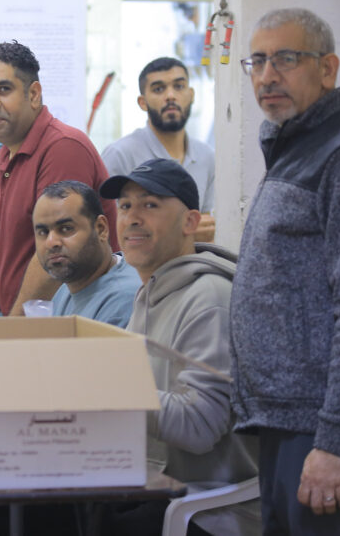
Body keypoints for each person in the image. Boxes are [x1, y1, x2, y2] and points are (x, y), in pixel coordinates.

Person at [231, 8, 340, 535]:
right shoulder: (297, 147)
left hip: (324, 430)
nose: (267, 75)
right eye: (257, 61)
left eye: (285, 59)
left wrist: (336, 441)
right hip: (287, 423)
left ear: (327, 68)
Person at [98, 159, 259, 536]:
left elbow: (199, 426)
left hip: (209, 508)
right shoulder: (149, 293)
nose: (132, 218)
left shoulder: (210, 298)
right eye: (125, 206)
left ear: (190, 222)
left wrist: (103, 389)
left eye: (150, 204)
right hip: (154, 487)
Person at [0, 41, 117, 316]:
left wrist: (13, 331)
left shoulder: (63, 148)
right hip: (26, 326)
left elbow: (57, 256)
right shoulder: (0, 159)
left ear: (34, 94)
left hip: (71, 323)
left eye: (3, 89)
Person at [101, 57, 216, 240]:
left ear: (191, 95)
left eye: (179, 86)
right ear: (142, 102)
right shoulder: (120, 154)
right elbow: (109, 231)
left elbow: (207, 226)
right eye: (158, 89)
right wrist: (182, 232)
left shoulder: (207, 156)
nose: (170, 96)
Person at [32, 180, 139, 326]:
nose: (51, 242)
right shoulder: (70, 286)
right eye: (43, 232)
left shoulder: (122, 302)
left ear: (101, 228)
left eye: (66, 229)